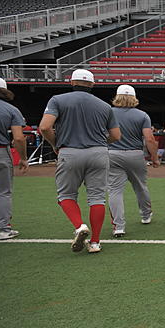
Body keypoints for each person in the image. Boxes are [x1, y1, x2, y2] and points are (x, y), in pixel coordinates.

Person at [39, 68, 121, 253]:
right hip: (99, 153)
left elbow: (45, 127)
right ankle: (95, 242)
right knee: (97, 198)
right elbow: (116, 135)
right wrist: (100, 143)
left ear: (71, 82)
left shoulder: (57, 100)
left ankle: (79, 226)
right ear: (92, 84)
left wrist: (55, 143)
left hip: (70, 151)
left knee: (66, 195)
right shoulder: (104, 106)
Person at [107, 85, 159, 238]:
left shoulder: (108, 113)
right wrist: (155, 158)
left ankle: (118, 226)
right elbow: (149, 138)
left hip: (112, 153)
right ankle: (146, 215)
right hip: (135, 154)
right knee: (140, 186)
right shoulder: (142, 115)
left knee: (115, 190)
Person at [0, 77, 28, 240]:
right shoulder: (11, 109)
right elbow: (19, 138)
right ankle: (4, 229)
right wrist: (23, 158)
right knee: (3, 193)